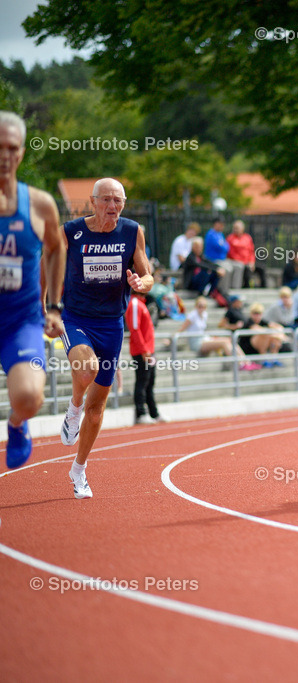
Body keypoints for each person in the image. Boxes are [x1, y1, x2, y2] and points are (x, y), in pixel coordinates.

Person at [58, 177, 153, 499]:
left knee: (97, 407)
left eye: (119, 201)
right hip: (76, 317)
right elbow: (50, 264)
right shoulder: (71, 231)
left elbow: (148, 273)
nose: (112, 207)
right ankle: (73, 407)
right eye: (107, 200)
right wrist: (49, 308)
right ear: (93, 201)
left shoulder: (131, 231)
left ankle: (79, 469)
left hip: (111, 323)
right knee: (87, 370)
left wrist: (142, 283)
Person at [0, 111, 65, 469]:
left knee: (29, 396)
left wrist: (53, 307)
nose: (4, 155)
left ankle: (17, 424)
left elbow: (56, 249)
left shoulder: (39, 204)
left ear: (21, 152)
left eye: (11, 147)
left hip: (20, 321)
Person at [125, 290, 163, 425]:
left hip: (148, 350)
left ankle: (154, 412)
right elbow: (134, 328)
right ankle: (141, 413)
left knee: (150, 382)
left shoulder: (140, 303)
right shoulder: (135, 303)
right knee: (142, 381)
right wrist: (144, 349)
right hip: (143, 351)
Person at [181, 237, 227, 304]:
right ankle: (201, 292)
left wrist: (219, 268)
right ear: (193, 247)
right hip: (192, 283)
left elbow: (209, 263)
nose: (199, 249)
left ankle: (211, 292)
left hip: (199, 280)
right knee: (205, 271)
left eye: (200, 247)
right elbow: (201, 265)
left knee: (215, 273)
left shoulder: (201, 256)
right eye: (197, 247)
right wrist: (215, 270)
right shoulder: (190, 257)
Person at [226, 220, 265, 288]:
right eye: (234, 228)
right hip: (237, 262)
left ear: (242, 229)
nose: (235, 230)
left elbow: (251, 251)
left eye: (237, 228)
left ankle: (263, 288)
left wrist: (252, 262)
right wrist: (244, 262)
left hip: (248, 262)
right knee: (245, 270)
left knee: (261, 268)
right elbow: (231, 253)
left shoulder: (247, 238)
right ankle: (242, 288)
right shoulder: (230, 238)